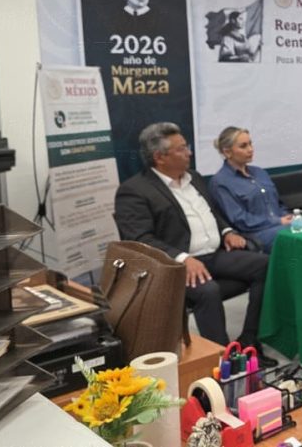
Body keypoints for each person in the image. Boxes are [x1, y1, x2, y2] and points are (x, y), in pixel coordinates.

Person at [113, 122, 275, 367]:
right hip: (174, 267)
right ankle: (222, 360)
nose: (189, 152)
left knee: (266, 264)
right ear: (160, 157)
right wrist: (182, 258)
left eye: (186, 146)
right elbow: (139, 239)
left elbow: (213, 213)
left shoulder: (195, 178)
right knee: (208, 291)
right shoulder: (134, 191)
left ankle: (249, 340)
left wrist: (227, 231)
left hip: (213, 255)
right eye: (181, 149)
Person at [207, 126, 290, 253]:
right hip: (256, 234)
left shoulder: (260, 173)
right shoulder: (220, 182)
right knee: (298, 239)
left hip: (281, 225)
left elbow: (278, 203)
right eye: (243, 146)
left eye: (250, 144)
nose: (250, 149)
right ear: (227, 152)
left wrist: (288, 216)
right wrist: (277, 221)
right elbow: (240, 220)